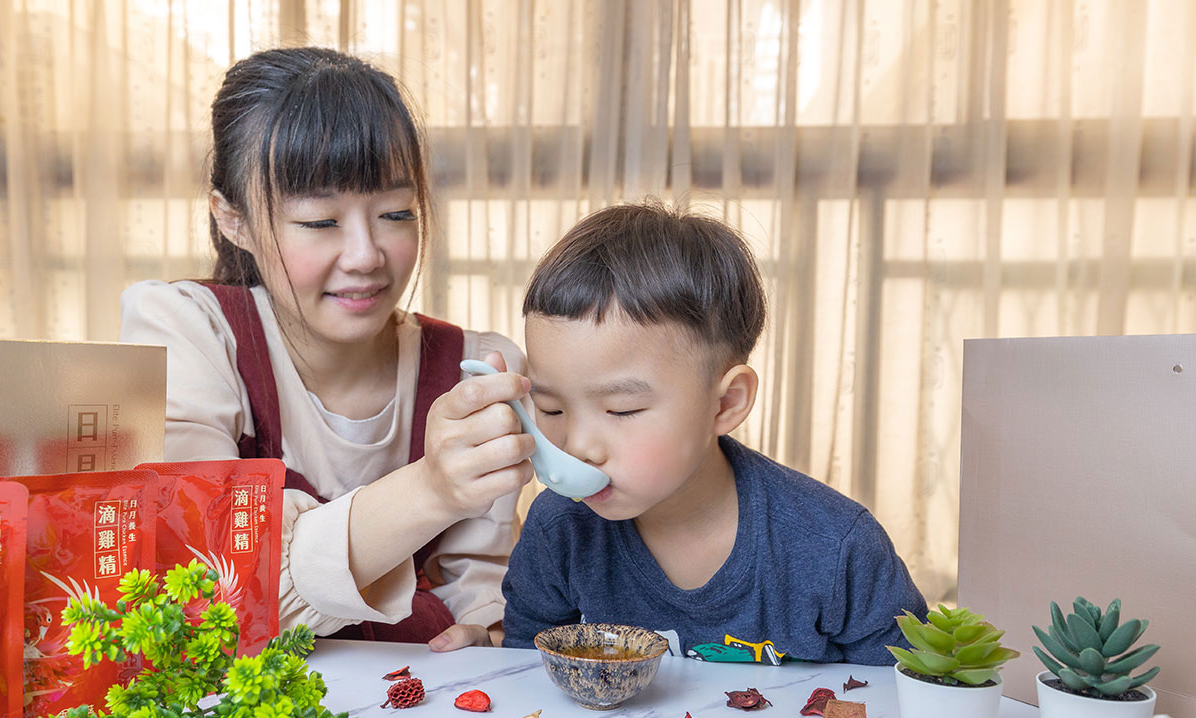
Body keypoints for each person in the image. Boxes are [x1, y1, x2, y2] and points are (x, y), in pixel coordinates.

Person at [121, 47, 534, 651]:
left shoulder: (471, 367)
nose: (367, 255)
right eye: (320, 221)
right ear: (232, 219)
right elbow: (209, 586)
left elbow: (483, 587)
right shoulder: (188, 331)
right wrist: (431, 490)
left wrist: (487, 632)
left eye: (396, 213)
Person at [500, 202, 927, 664]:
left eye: (622, 410)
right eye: (551, 407)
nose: (577, 446)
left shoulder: (836, 547)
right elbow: (526, 670)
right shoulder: (559, 529)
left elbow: (910, 696)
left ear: (725, 403)